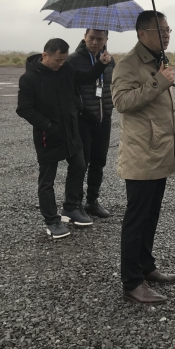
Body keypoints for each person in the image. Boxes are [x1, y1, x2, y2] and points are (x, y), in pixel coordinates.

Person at [112, 10, 175, 304]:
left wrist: (160, 77)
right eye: (160, 30)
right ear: (142, 33)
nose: (166, 35)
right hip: (141, 154)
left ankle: (146, 267)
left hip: (159, 149)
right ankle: (132, 282)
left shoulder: (158, 60)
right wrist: (158, 81)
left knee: (151, 215)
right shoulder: (128, 64)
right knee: (137, 218)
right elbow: (121, 102)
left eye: (168, 29)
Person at [16, 38, 112, 239]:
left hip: (71, 131)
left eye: (64, 60)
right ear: (45, 55)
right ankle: (52, 220)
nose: (61, 64)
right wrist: (47, 125)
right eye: (58, 60)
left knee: (79, 166)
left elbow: (85, 78)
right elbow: (24, 109)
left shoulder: (66, 69)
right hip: (47, 136)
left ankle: (70, 207)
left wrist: (101, 64)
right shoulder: (29, 78)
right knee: (47, 180)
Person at [67, 29, 116, 218]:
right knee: (81, 163)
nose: (95, 42)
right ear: (85, 37)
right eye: (92, 38)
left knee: (99, 161)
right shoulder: (74, 60)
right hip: (83, 119)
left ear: (106, 39)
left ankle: (92, 201)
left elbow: (113, 85)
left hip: (104, 118)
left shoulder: (110, 60)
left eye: (100, 39)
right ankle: (75, 203)